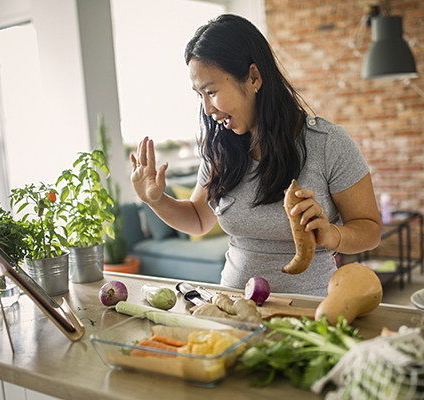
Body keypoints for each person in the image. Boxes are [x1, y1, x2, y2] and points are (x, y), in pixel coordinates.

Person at [131, 14, 382, 296]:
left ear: (254, 77)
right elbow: (199, 220)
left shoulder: (327, 143)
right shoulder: (219, 149)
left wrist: (331, 234)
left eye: (211, 91)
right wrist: (155, 200)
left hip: (311, 311)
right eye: (198, 94)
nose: (206, 109)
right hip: (233, 306)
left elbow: (370, 230)